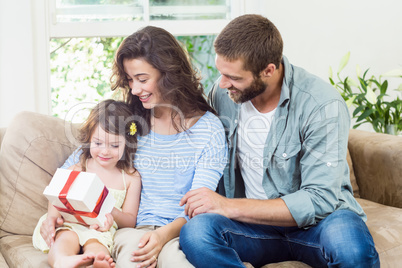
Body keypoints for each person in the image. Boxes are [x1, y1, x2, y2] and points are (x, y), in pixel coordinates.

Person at [179, 14, 380, 268]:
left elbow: (319, 199)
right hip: (255, 230)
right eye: (221, 73)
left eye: (234, 77)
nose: (222, 84)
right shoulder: (223, 96)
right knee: (196, 234)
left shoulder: (321, 104)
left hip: (321, 223)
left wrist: (228, 206)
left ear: (269, 70)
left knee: (352, 250)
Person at [40, 26, 227, 268]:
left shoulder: (208, 129)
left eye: (142, 79)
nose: (135, 89)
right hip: (132, 231)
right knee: (133, 260)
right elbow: (72, 169)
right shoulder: (128, 121)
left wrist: (162, 237)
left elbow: (200, 205)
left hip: (180, 233)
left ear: (169, 74)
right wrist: (52, 213)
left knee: (177, 263)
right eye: (130, 80)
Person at [33, 99, 142, 268]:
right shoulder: (78, 168)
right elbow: (56, 196)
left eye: (114, 145)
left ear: (127, 144)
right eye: (98, 143)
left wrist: (107, 208)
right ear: (89, 139)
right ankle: (63, 260)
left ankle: (97, 262)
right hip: (71, 225)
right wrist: (52, 218)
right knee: (65, 239)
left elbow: (130, 221)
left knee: (98, 246)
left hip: (100, 230)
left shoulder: (130, 177)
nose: (105, 151)